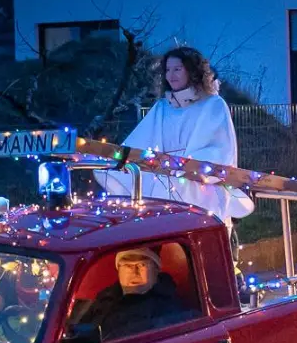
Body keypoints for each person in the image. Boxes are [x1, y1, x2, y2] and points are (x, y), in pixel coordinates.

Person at [96, 47, 253, 223]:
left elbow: (220, 150)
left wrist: (182, 168)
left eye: (177, 69)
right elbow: (137, 145)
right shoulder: (162, 108)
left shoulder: (213, 105)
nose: (171, 75)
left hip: (199, 189)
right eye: (168, 70)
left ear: (192, 71)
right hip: (163, 185)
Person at [93, 248, 188, 340]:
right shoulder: (104, 298)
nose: (134, 272)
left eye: (142, 265)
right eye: (127, 266)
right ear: (118, 271)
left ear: (156, 270)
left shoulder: (169, 308)